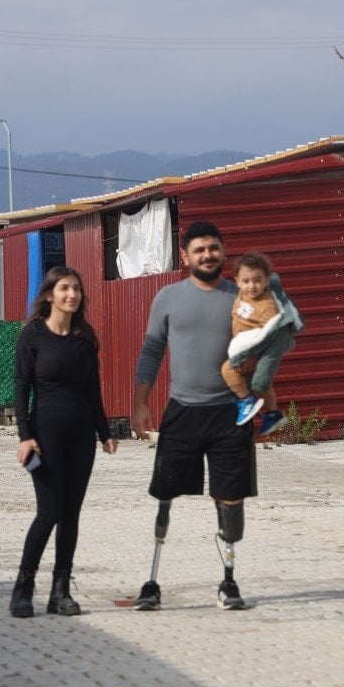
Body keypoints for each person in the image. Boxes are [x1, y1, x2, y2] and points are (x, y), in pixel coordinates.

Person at [131, 220, 257, 611]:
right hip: (182, 412)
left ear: (223, 251)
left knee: (230, 500)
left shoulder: (242, 298)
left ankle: (229, 582)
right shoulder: (168, 298)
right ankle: (152, 582)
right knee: (165, 495)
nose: (208, 255)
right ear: (185, 257)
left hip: (230, 414)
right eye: (199, 249)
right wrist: (140, 403)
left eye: (213, 248)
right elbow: (152, 351)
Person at [11, 266, 118, 618]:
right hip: (44, 437)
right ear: (49, 295)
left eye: (76, 289)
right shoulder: (32, 335)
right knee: (49, 512)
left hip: (81, 437)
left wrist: (104, 432)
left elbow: (92, 390)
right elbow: (21, 387)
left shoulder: (84, 338)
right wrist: (25, 436)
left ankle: (61, 592)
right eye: (64, 288)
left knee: (70, 514)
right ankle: (23, 588)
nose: (72, 294)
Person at [221, 251, 303, 437]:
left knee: (228, 371)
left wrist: (256, 357)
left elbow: (271, 336)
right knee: (262, 386)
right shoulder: (243, 295)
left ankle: (246, 401)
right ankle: (273, 413)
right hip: (243, 345)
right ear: (237, 281)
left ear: (266, 280)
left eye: (257, 280)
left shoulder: (267, 307)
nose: (251, 286)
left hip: (251, 351)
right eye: (246, 281)